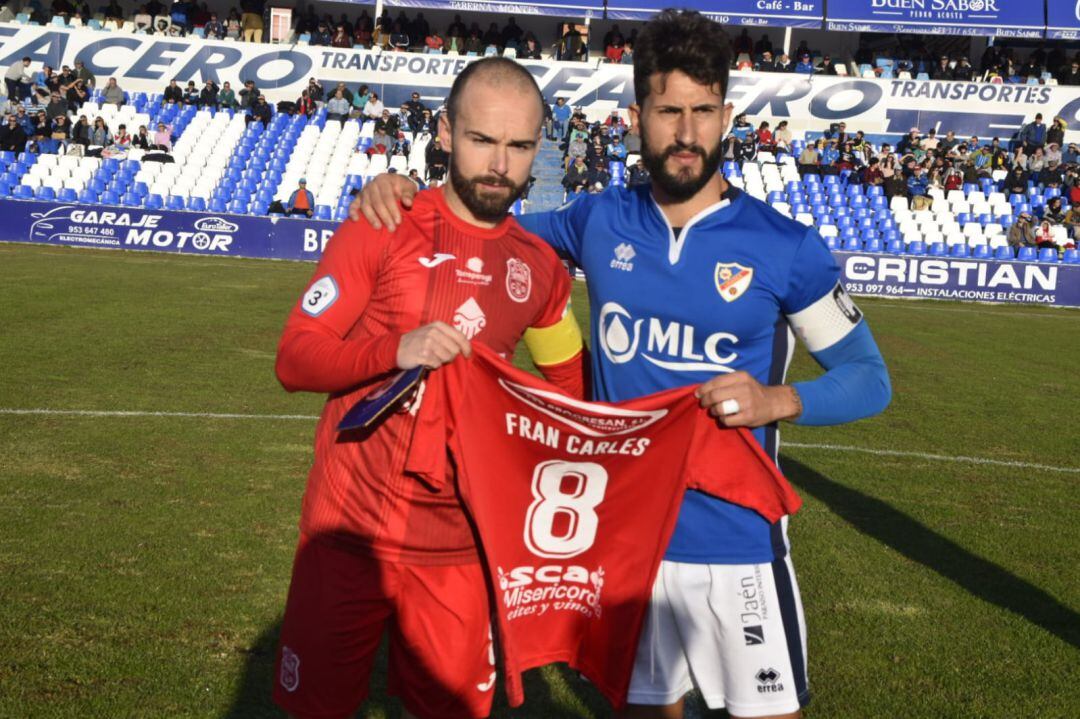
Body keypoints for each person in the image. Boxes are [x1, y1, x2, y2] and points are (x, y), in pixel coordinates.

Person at [354, 12, 891, 719]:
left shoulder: (785, 246)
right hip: (625, 542)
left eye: (704, 111)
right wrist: (403, 191)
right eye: (669, 111)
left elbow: (868, 378)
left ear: (727, 115)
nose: (688, 132)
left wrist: (777, 401)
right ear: (638, 117)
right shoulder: (597, 221)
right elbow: (484, 225)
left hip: (738, 543)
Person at [272, 56, 587, 719]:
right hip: (348, 533)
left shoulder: (540, 270)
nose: (499, 163)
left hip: (460, 551)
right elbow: (295, 358)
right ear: (445, 133)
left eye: (520, 145)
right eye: (481, 139)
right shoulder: (382, 222)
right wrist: (396, 349)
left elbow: (575, 391)